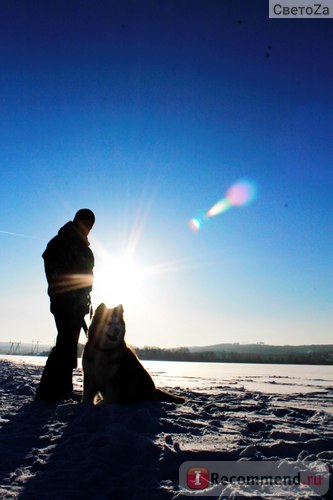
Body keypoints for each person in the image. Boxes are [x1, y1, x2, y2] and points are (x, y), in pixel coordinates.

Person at [35, 209, 95, 403]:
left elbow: (87, 277)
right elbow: (50, 263)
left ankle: (62, 387)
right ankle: (47, 389)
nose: (87, 227)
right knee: (64, 343)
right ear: (77, 221)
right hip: (64, 301)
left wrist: (84, 296)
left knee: (69, 344)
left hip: (78, 303)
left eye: (90, 225)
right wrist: (66, 290)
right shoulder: (62, 240)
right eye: (84, 223)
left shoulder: (83, 247)